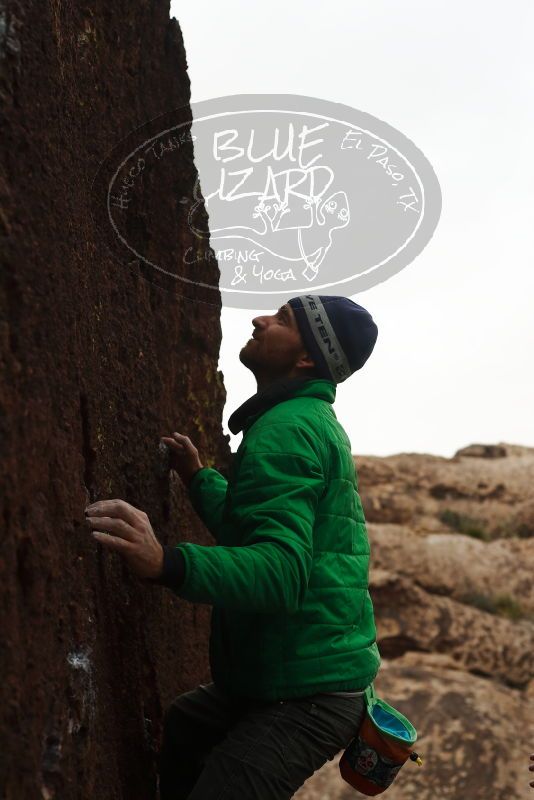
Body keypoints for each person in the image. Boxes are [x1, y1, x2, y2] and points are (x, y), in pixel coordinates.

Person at [85, 294, 381, 799]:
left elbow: (281, 573)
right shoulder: (303, 419)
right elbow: (256, 527)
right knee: (186, 725)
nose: (260, 320)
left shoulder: (288, 429)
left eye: (283, 319)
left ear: (306, 357)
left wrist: (166, 562)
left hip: (309, 692)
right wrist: (199, 479)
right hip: (288, 672)